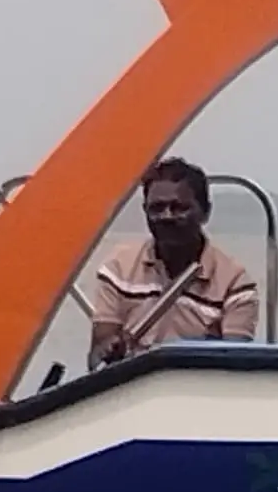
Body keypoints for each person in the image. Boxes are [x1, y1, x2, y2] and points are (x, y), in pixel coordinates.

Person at [77, 156, 261, 367]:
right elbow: (96, 355)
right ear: (145, 211)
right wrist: (109, 349)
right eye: (157, 208)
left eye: (179, 208)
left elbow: (234, 365)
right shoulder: (118, 268)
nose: (167, 216)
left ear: (205, 212)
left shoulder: (236, 284)